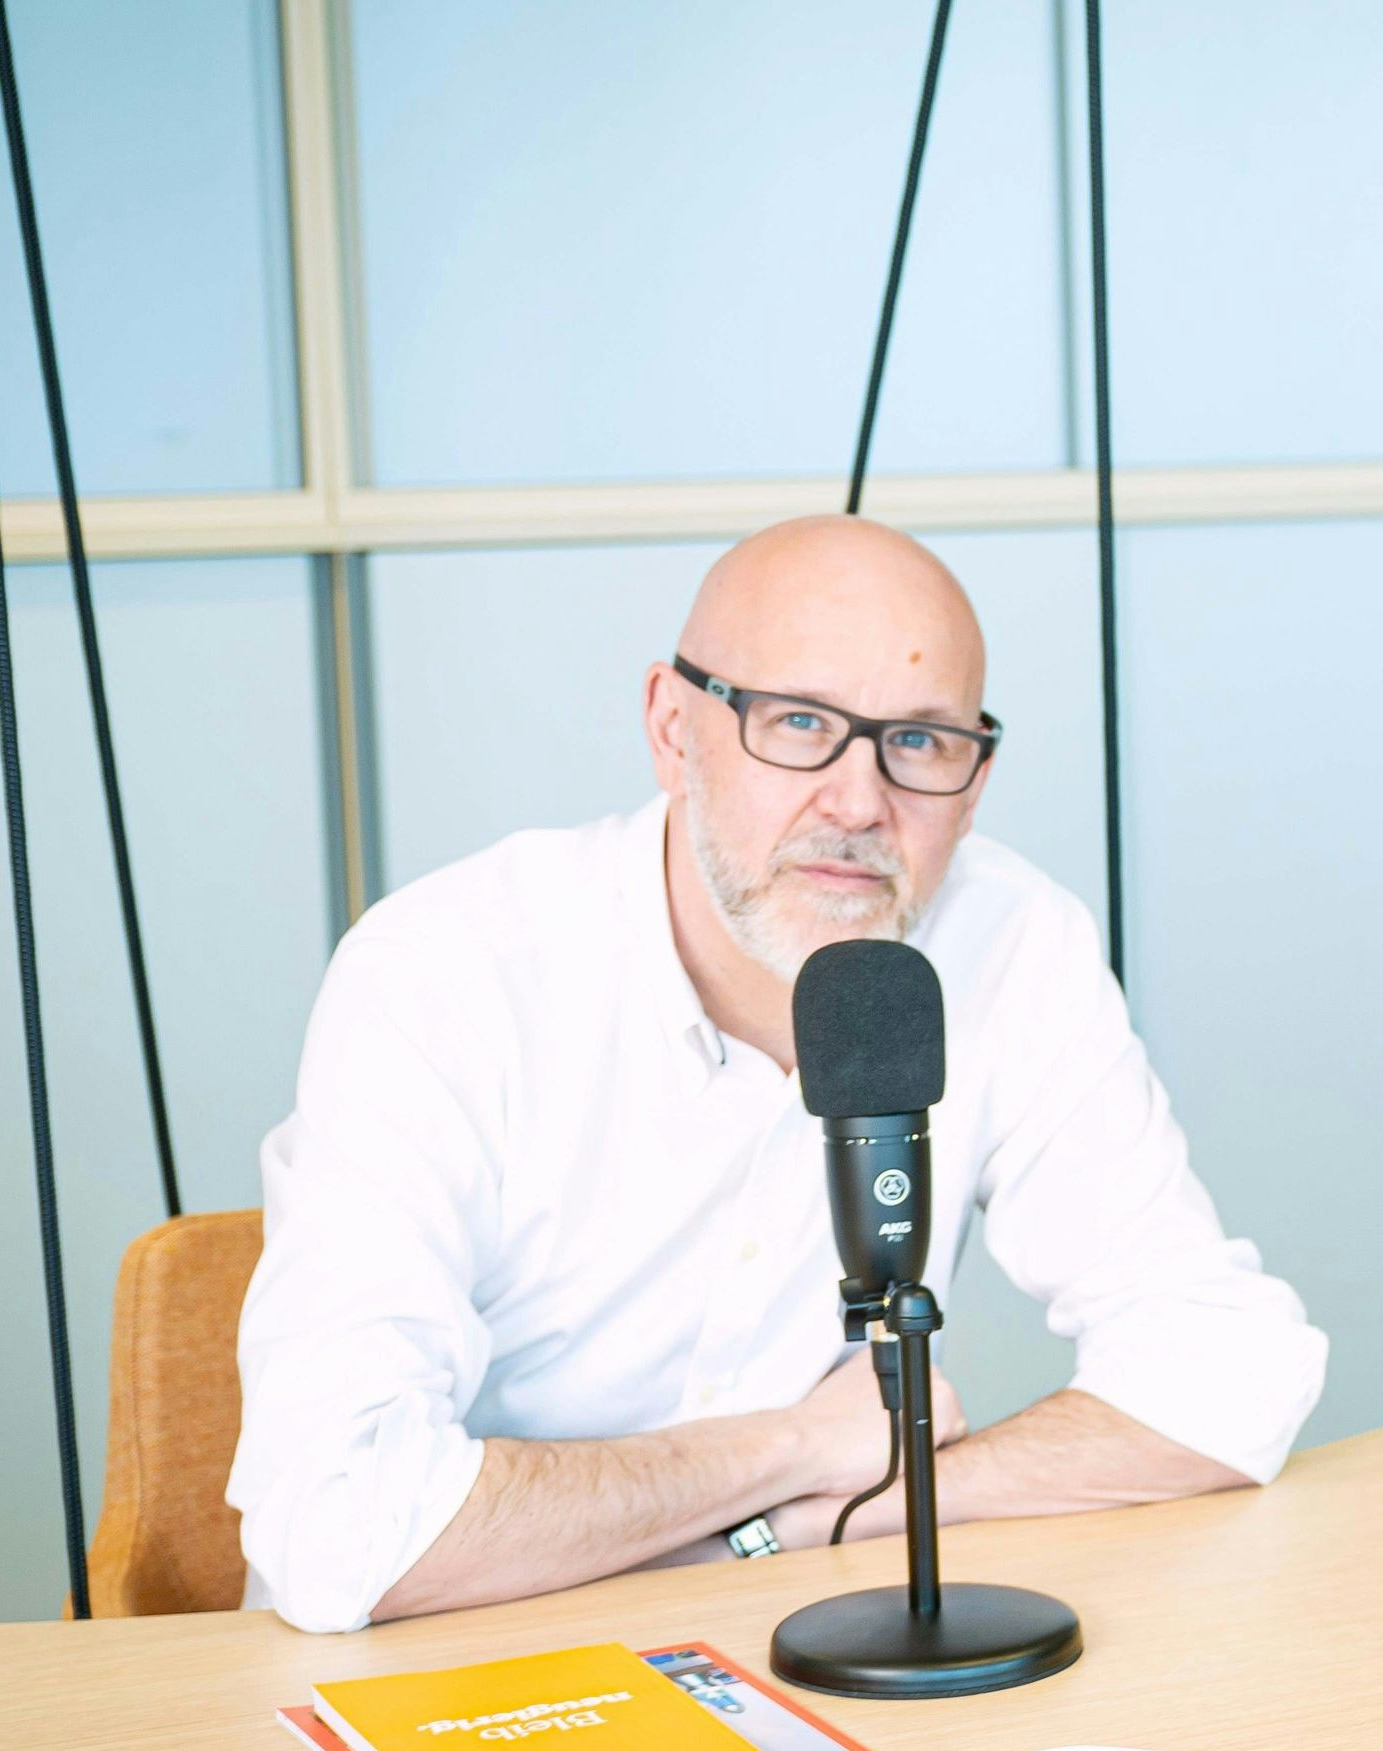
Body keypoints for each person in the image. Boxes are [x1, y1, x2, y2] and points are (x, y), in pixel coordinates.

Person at [231, 516, 1324, 1633]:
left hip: (788, 1639)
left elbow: (1233, 1371)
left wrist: (837, 1518)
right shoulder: (450, 973)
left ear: (976, 777)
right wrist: (794, 1449)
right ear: (672, 728)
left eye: (921, 743)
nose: (858, 804)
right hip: (445, 1671)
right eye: (798, 722)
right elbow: (340, 1527)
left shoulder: (1009, 944)